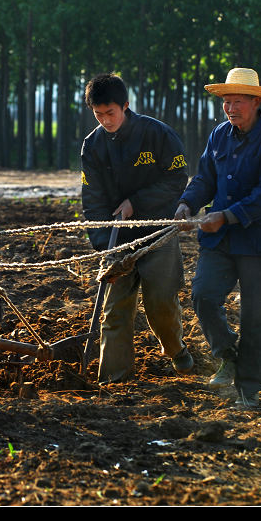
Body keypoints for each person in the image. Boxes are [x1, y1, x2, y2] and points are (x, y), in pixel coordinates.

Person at [174, 67, 261, 408]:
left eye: (238, 102)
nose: (230, 109)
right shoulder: (219, 136)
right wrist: (187, 203)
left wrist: (225, 215)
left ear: (256, 102)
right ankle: (227, 355)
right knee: (203, 295)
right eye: (226, 102)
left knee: (259, 315)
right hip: (223, 238)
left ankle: (249, 389)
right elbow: (205, 178)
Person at [80, 72, 192, 383]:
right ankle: (115, 378)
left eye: (110, 113)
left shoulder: (157, 134)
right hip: (118, 240)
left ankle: (176, 351)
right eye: (98, 114)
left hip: (158, 233)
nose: (105, 120)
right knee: (114, 312)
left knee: (160, 305)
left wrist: (136, 202)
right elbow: (92, 198)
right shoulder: (93, 146)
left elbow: (176, 179)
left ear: (126, 106)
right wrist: (105, 245)